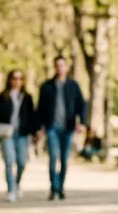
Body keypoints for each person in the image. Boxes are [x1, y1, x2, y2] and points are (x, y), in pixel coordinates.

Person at [34, 56, 87, 201]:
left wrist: (82, 122)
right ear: (54, 67)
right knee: (53, 157)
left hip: (68, 127)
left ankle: (61, 187)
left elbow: (81, 105)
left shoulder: (73, 85)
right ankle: (54, 187)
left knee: (64, 159)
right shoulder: (47, 86)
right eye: (57, 65)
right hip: (52, 128)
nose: (60, 68)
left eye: (62, 65)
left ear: (67, 67)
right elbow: (40, 109)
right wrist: (39, 127)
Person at [0, 70, 36, 202]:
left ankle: (17, 183)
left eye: (20, 78)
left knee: (21, 162)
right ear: (10, 80)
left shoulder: (27, 97)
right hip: (7, 133)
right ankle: (11, 190)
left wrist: (35, 132)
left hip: (22, 134)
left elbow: (32, 116)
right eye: (14, 78)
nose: (17, 81)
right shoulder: (4, 96)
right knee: (9, 161)